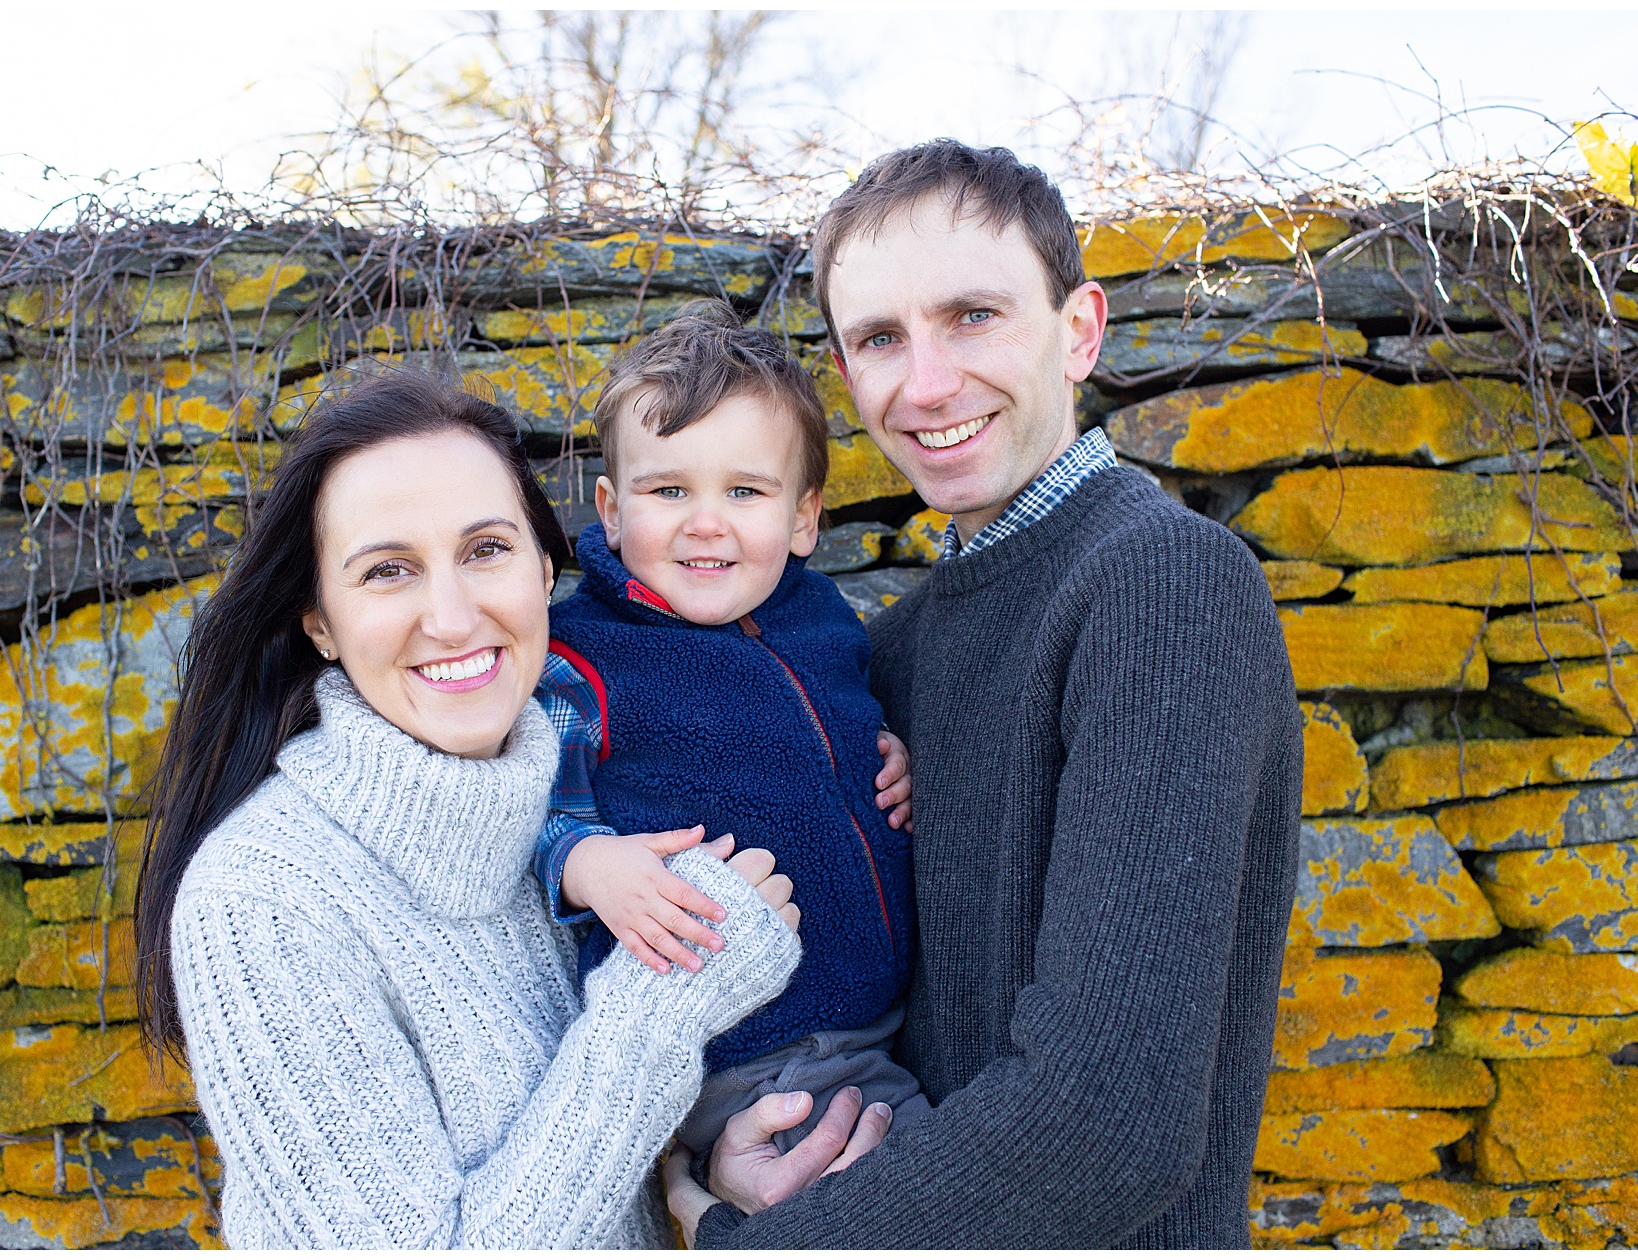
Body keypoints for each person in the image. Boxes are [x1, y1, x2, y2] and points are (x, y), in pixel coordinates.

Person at [666, 140, 1303, 1248]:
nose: (924, 385)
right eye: (878, 338)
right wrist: (737, 1150)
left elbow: (1107, 1126)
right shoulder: (895, 648)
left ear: (1078, 330)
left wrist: (746, 1245)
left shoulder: (1159, 584)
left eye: (971, 316)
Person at [131, 371, 803, 1249]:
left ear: (544, 567)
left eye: (486, 550)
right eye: (387, 571)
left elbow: (586, 1160)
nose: (451, 617)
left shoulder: (573, 808)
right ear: (321, 623)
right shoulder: (262, 903)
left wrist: (700, 1176)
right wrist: (667, 1001)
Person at [533, 301, 931, 1165]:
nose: (705, 522)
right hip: (745, 1053)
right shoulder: (583, 655)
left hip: (881, 1018)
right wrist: (584, 862)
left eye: (744, 491)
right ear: (610, 507)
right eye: (669, 490)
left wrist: (885, 751)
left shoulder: (820, 616)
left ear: (802, 517)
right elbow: (523, 812)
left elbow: (824, 731)